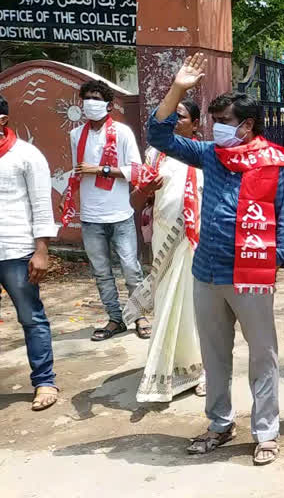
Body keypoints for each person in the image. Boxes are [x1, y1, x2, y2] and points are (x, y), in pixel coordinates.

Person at [146, 53, 284, 466]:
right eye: (213, 121)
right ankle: (219, 423)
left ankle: (266, 431)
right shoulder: (211, 155)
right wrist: (178, 88)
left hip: (251, 276)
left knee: (262, 354)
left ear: (247, 126)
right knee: (215, 355)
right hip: (208, 271)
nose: (216, 128)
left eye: (224, 121)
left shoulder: (276, 162)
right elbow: (159, 136)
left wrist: (276, 261)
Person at [124, 98, 206, 401]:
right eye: (170, 116)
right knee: (167, 302)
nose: (174, 121)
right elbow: (135, 202)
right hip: (164, 241)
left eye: (181, 117)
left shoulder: (205, 155)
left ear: (195, 124)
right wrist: (147, 190)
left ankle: (203, 368)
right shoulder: (155, 155)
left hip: (197, 241)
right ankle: (169, 365)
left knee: (194, 305)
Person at [61, 80, 150, 341]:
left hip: (120, 214)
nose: (90, 103)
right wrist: (68, 196)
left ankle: (140, 315)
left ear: (108, 105)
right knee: (101, 273)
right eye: (86, 98)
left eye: (96, 98)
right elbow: (79, 172)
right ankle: (115, 318)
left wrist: (100, 170)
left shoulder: (122, 133)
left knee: (131, 269)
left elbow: (136, 170)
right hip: (90, 216)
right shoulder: (76, 135)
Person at [0, 94, 60, 410]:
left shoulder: (26, 156)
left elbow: (41, 203)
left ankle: (44, 381)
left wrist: (41, 251)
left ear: (2, 121)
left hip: (16, 250)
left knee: (30, 317)